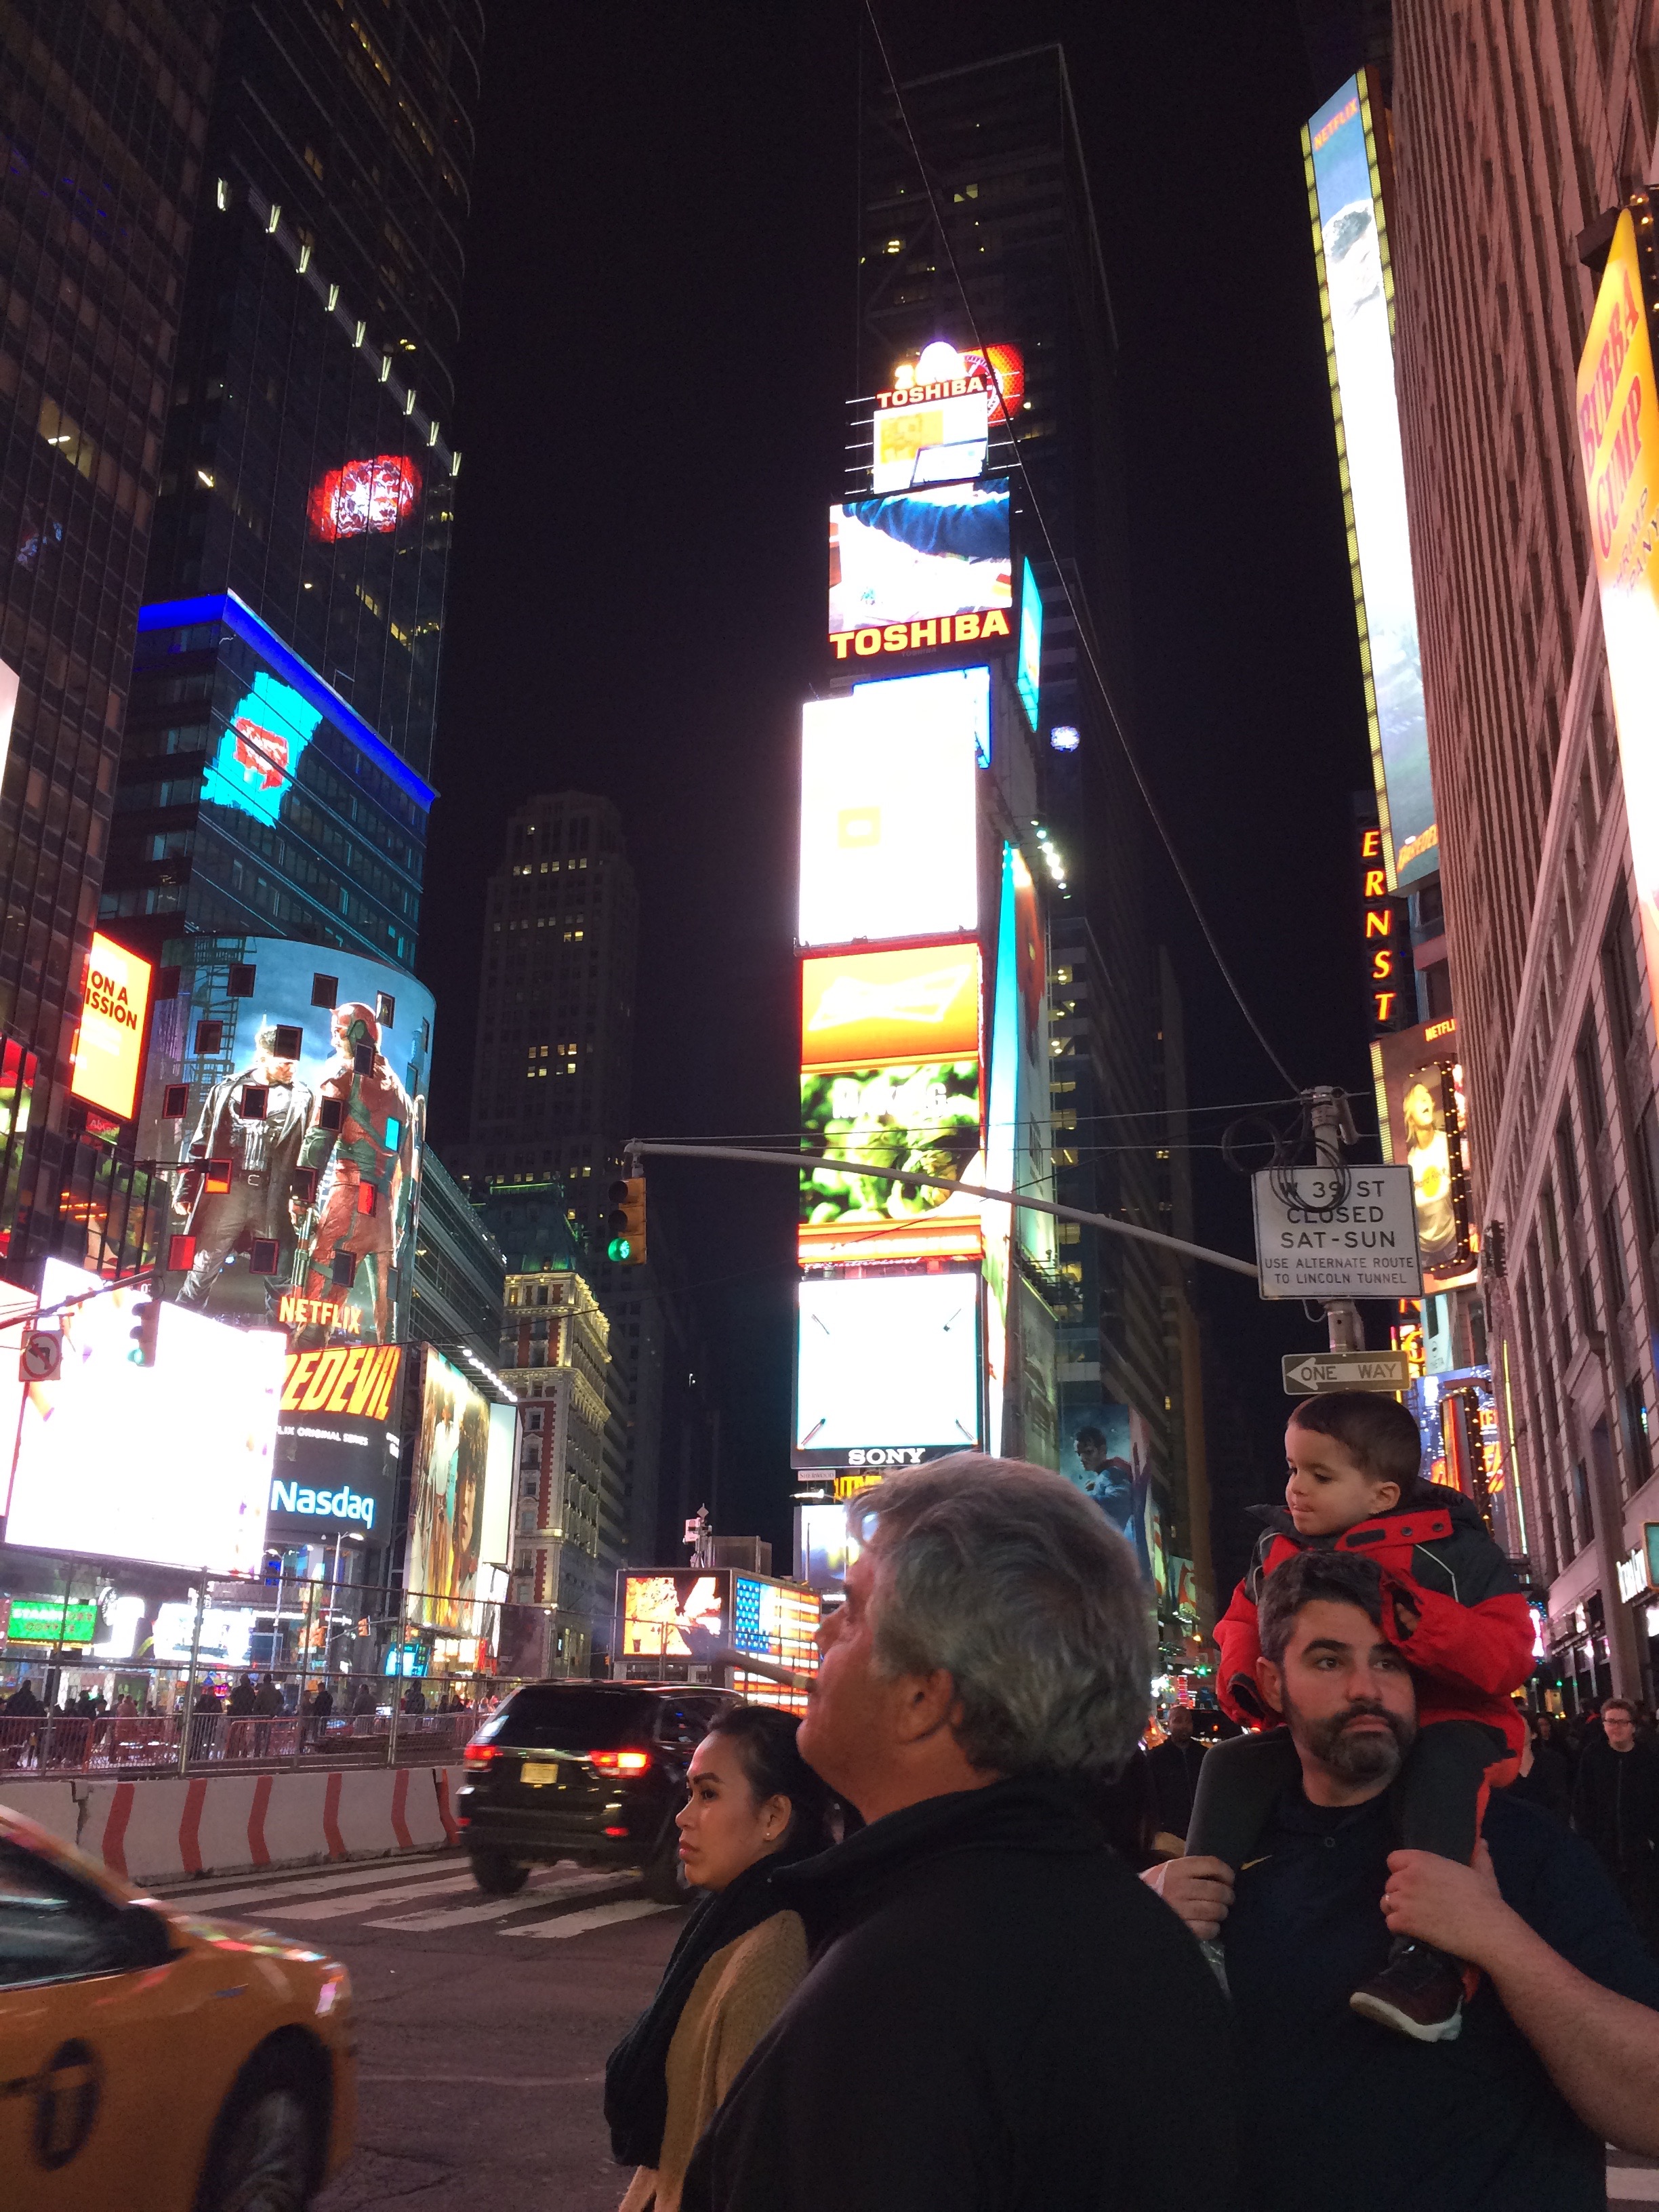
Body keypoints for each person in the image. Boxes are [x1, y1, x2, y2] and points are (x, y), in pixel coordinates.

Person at [680, 1455, 1240, 2212]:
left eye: (853, 1610)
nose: (823, 1629)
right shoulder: (1128, 1933)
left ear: (923, 1698)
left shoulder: (900, 1996)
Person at [1145, 1549, 1659, 2211]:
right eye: (1329, 1661)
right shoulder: (1225, 1864)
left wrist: (1499, 1940)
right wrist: (1141, 1930)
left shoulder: (1516, 1849)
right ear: (1271, 1684)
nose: (1366, 1688)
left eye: (1388, 1662)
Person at [1189, 1391, 1533, 2040]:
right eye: (1293, 1469)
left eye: (1319, 1475)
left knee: (1440, 1768)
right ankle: (1200, 1937)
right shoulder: (1278, 1550)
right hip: (1334, 1737)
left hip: (1456, 1723)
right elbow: (1241, 1618)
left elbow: (1510, 1652)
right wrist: (1247, 1680)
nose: (1295, 1488)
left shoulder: (1453, 1551)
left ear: (1383, 1495)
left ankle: (1432, 1964)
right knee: (1231, 1761)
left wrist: (1419, 1622)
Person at [607, 1706, 835, 2212]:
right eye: (690, 1793)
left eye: (708, 1795)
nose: (684, 1816)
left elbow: (756, 2172)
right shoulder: (728, 1921)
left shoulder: (773, 1951)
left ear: (773, 1817)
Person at [175, 1026, 314, 1314]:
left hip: (272, 1196)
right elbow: (201, 1143)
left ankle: (281, 1332)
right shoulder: (227, 1090)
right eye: (284, 1063)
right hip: (229, 1191)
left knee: (279, 1273)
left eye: (294, 1063)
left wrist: (302, 1198)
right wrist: (186, 1190)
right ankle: (180, 1317)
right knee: (204, 1263)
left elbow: (308, 1154)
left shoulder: (302, 1098)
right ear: (263, 1058)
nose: (291, 1069)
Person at [1573, 1697, 1659, 1952]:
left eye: (1622, 1722)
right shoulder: (1593, 1756)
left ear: (1633, 1726)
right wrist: (1588, 1839)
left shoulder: (1647, 1758)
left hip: (1641, 1851)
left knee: (1645, 1912)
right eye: (1610, 1722)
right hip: (1604, 1848)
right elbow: (1583, 1801)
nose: (1615, 1727)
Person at [1145, 1702, 1208, 1849]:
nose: (1184, 1726)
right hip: (1169, 1835)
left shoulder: (1204, 1755)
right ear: (1169, 1724)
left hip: (1201, 1830)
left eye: (1188, 1721)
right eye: (1178, 1721)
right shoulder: (1155, 1758)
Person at [1511, 1710, 1571, 1826]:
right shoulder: (1502, 1768)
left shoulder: (1553, 1762)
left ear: (1533, 1733)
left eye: (1519, 1725)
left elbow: (1561, 1801)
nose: (1514, 1730)